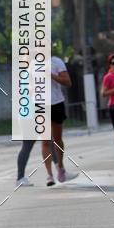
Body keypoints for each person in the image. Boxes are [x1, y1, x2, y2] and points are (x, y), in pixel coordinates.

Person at [42, 54, 78, 186]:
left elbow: (68, 82)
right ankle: (49, 175)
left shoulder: (56, 62)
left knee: (57, 140)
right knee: (45, 140)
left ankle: (61, 168)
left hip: (56, 103)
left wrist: (51, 75)